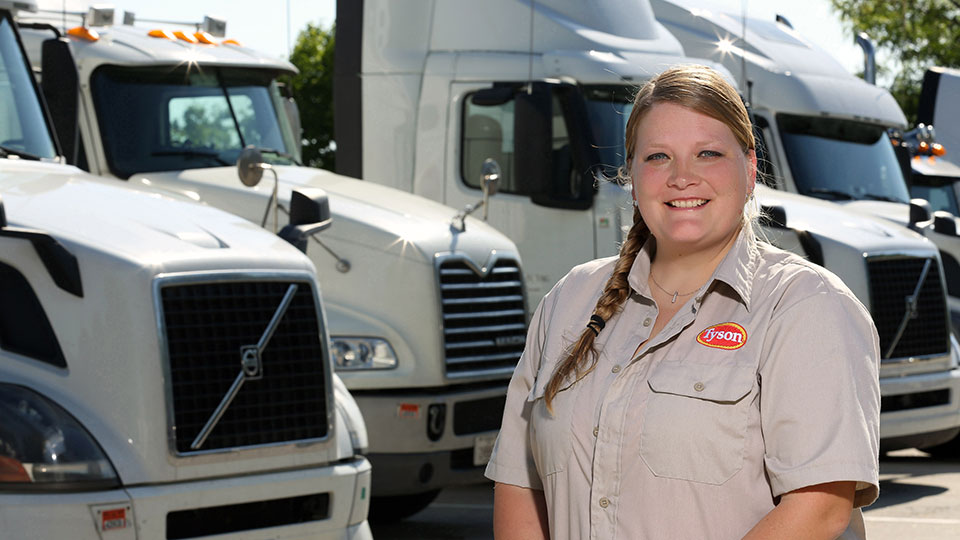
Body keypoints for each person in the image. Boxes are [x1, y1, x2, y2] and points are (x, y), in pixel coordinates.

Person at [484, 65, 881, 540]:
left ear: (750, 169)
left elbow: (819, 508)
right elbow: (519, 482)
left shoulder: (805, 306)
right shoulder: (569, 301)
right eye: (658, 157)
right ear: (631, 175)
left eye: (708, 153)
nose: (682, 178)